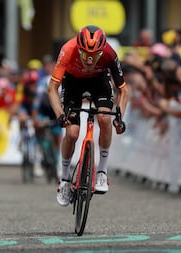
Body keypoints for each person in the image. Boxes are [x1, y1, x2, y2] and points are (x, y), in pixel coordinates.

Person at [47, 25, 129, 206]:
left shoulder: (109, 53)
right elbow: (52, 88)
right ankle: (65, 179)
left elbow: (123, 91)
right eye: (85, 55)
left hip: (99, 81)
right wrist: (60, 114)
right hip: (73, 82)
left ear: (102, 51)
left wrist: (120, 117)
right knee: (72, 133)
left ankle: (102, 172)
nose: (90, 60)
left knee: (105, 119)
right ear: (78, 48)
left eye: (95, 55)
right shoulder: (68, 50)